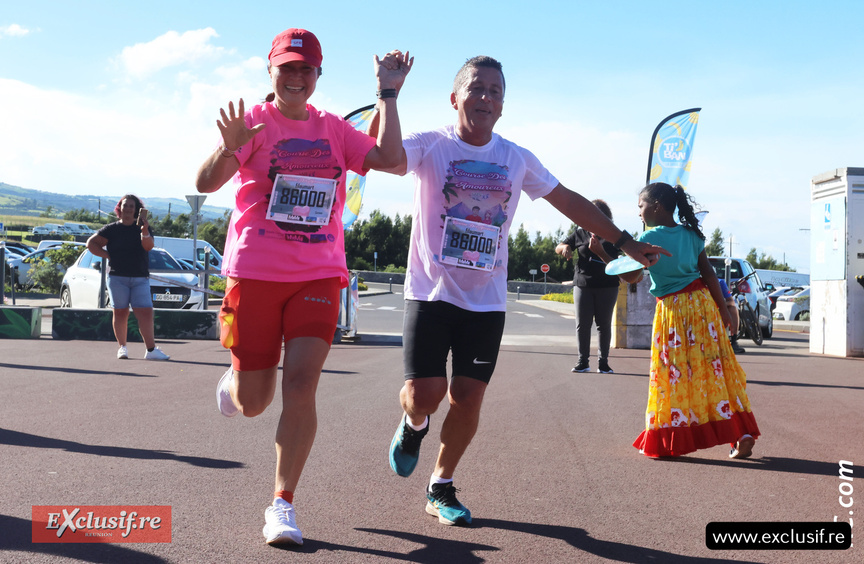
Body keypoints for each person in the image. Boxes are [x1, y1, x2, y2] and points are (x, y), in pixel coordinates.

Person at [375, 56, 668, 526]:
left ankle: (441, 485)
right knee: (424, 393)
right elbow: (387, 158)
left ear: (503, 105)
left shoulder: (516, 158)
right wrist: (388, 94)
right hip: (431, 293)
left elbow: (568, 201)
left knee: (468, 397)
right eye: (476, 88)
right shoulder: (432, 145)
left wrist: (625, 241)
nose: (485, 97)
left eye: (495, 91)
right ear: (455, 98)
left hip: (486, 301)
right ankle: (414, 423)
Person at [194, 28, 411, 546]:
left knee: (301, 388)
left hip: (318, 273)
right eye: (287, 67)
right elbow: (205, 183)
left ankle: (282, 504)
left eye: (305, 68)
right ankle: (237, 378)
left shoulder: (333, 129)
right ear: (270, 71)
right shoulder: (253, 123)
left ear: (317, 74)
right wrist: (229, 149)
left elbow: (392, 161)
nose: (296, 77)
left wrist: (388, 93)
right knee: (253, 401)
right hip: (256, 272)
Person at [617, 182, 760, 459]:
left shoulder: (648, 237)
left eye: (641, 206)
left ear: (656, 206)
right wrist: (724, 312)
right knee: (716, 371)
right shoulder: (692, 234)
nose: (639, 212)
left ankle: (670, 439)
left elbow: (632, 276)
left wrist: (606, 256)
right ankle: (740, 432)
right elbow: (708, 274)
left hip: (673, 312)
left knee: (674, 374)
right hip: (703, 307)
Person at [86, 194, 170, 361]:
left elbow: (148, 246)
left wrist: (144, 231)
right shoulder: (111, 229)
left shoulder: (143, 228)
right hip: (117, 277)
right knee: (120, 312)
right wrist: (108, 255)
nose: (128, 209)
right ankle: (122, 348)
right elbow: (91, 244)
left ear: (137, 210)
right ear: (120, 208)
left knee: (145, 312)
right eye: (125, 205)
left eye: (131, 206)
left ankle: (151, 350)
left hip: (140, 277)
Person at [555, 199, 621, 374]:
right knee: (582, 325)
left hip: (608, 286)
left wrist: (602, 252)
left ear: (605, 216)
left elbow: (622, 261)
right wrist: (565, 248)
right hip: (583, 284)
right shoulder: (580, 233)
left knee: (603, 325)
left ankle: (603, 363)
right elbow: (558, 246)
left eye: (597, 213)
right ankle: (582, 361)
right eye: (589, 212)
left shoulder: (614, 234)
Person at [719, 278, 746, 354]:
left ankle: (733, 341)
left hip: (715, 308)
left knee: (733, 308)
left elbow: (731, 301)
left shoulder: (720, 282)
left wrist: (718, 305)